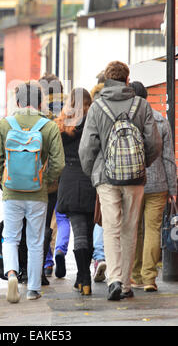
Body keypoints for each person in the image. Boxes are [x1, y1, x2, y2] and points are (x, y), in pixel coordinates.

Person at [79, 61, 162, 301]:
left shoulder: (97, 107)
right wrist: (141, 163)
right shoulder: (142, 105)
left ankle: (114, 278)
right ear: (127, 79)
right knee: (130, 228)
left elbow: (88, 147)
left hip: (106, 177)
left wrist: (93, 173)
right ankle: (125, 284)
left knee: (111, 227)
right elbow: (155, 143)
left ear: (106, 79)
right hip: (135, 178)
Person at [0, 80, 65, 302]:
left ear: (18, 101)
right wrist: (45, 180)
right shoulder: (49, 126)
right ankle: (33, 288)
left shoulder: (5, 124)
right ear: (40, 102)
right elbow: (58, 163)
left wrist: (2, 180)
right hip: (37, 193)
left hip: (12, 192)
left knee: (10, 237)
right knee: (35, 240)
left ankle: (12, 272)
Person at [130, 81, 177, 292]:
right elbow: (168, 158)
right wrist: (173, 189)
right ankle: (149, 278)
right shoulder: (160, 120)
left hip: (132, 182)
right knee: (153, 230)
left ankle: (135, 275)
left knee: (134, 229)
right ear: (147, 96)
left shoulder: (127, 120)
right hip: (158, 185)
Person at [56, 88, 96, 295]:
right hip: (90, 179)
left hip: (70, 179)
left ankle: (83, 278)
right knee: (88, 232)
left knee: (79, 231)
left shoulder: (62, 125)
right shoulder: (93, 122)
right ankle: (83, 277)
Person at [39, 73, 70, 282]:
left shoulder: (39, 112)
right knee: (62, 216)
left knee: (43, 219)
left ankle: (47, 261)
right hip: (68, 173)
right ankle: (60, 250)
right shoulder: (70, 109)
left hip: (45, 173)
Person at [90, 71, 107, 283]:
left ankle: (99, 256)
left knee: (97, 215)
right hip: (121, 169)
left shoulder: (93, 104)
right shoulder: (125, 103)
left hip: (96, 169)